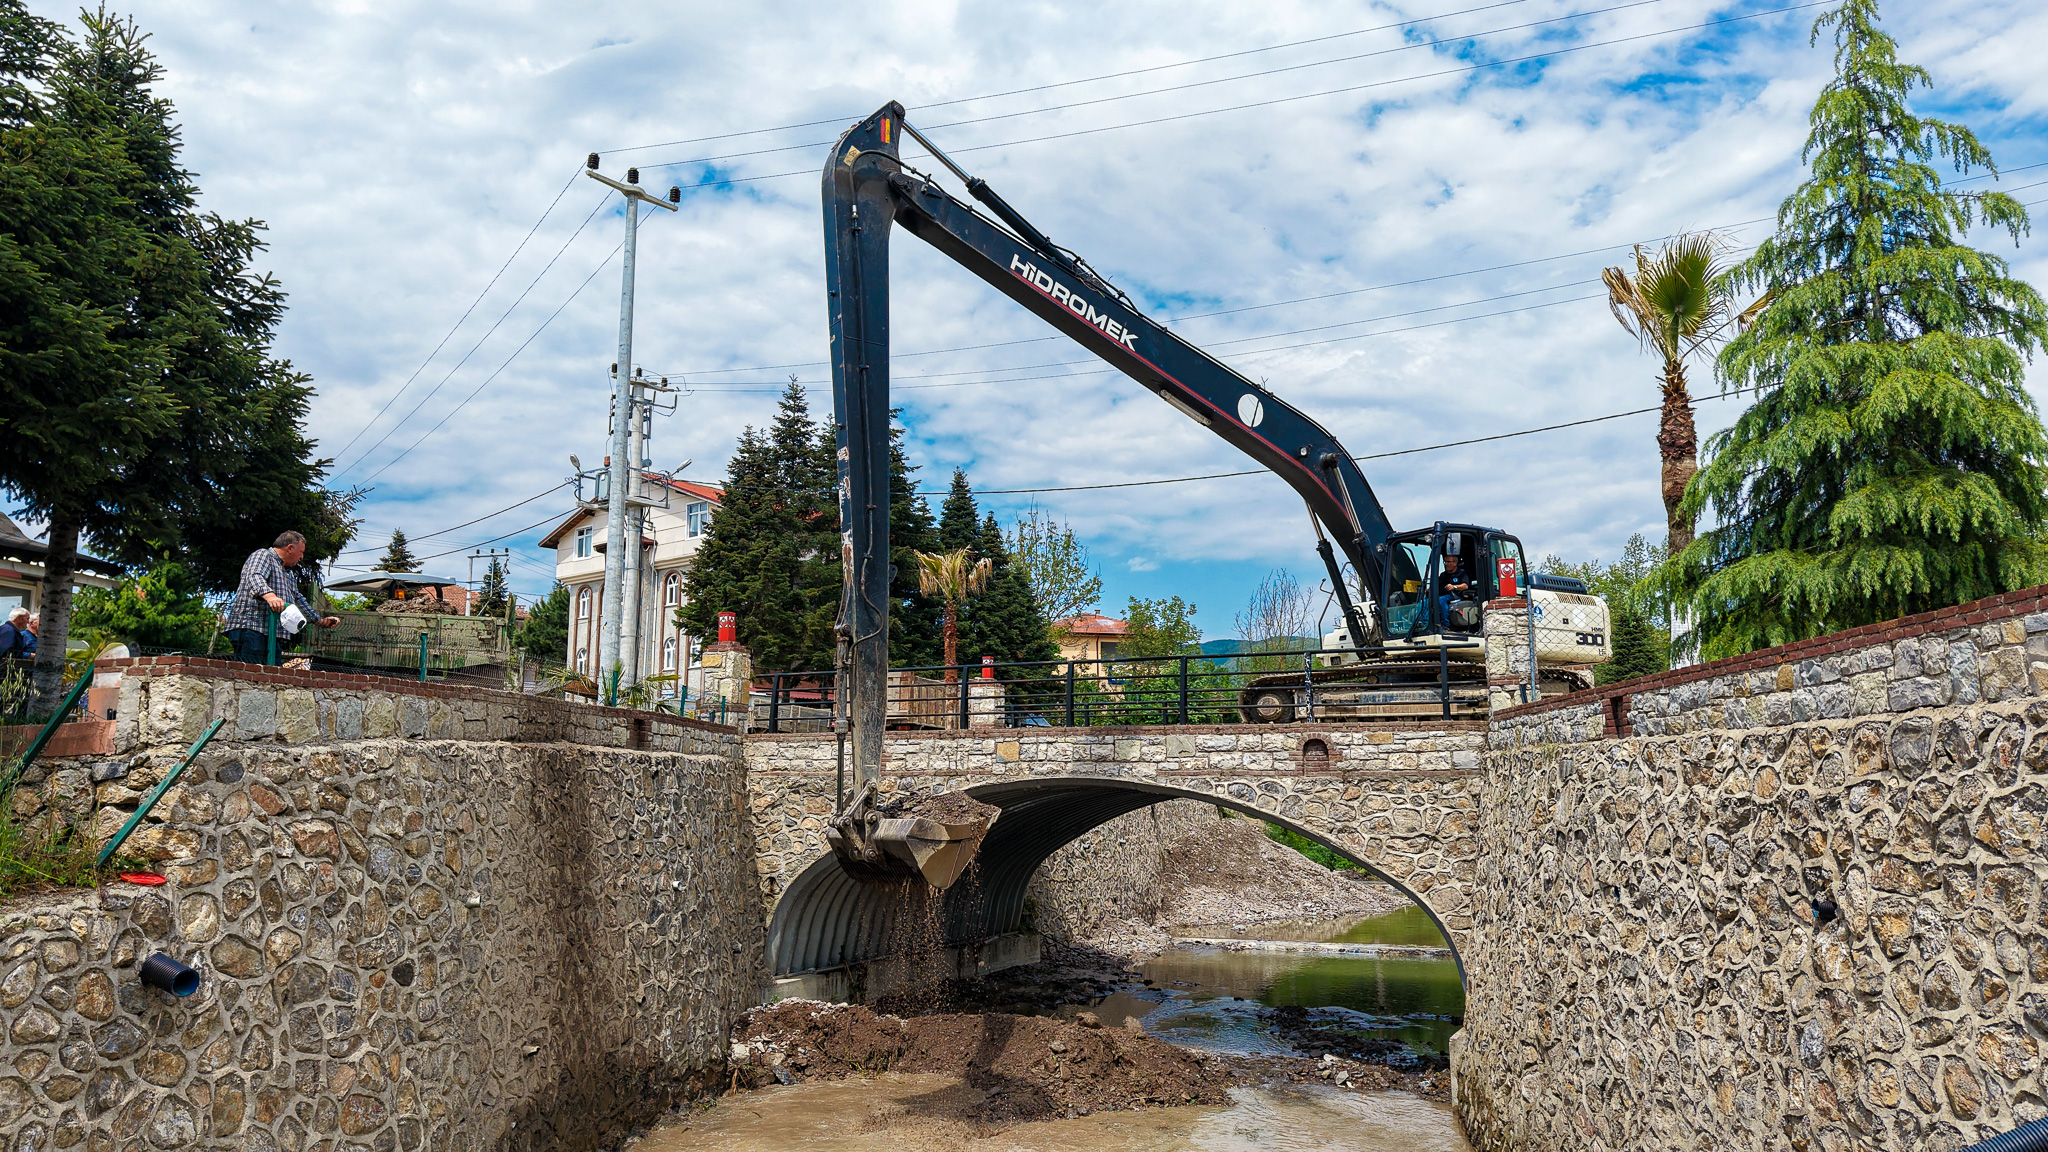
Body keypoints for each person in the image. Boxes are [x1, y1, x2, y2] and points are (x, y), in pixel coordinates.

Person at [224, 531, 339, 664]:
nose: (302, 557)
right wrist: (270, 596)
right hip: (251, 627)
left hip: (271, 632)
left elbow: (298, 599)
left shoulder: (288, 573)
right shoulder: (263, 555)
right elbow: (254, 576)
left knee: (273, 673)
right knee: (251, 672)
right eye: (301, 552)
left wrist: (320, 621)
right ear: (290, 548)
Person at [1437, 553, 1478, 628]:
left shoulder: (1462, 574)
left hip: (1456, 596)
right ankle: (1424, 622)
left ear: (1455, 563)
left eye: (1448, 562)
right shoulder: (1443, 575)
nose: (1446, 564)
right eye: (1445, 562)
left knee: (1441, 600)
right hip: (1442, 594)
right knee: (1425, 601)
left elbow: (1465, 586)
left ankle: (1445, 624)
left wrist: (1454, 587)